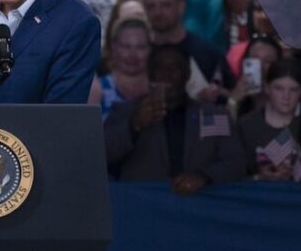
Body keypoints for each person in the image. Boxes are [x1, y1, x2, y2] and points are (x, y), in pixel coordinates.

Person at [104, 45, 245, 188]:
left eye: (175, 67)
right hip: (144, 206)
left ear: (187, 73)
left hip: (198, 206)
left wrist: (205, 176)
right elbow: (101, 155)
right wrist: (134, 126)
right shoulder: (125, 111)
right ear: (150, 73)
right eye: (160, 67)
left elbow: (236, 162)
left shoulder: (213, 115)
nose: (167, 73)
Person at [140, 0, 234, 101]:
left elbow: (231, 98)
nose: (158, 13)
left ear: (181, 6)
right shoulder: (136, 54)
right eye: (151, 6)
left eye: (165, 5)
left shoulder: (208, 54)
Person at [236, 59, 301, 181]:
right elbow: (234, 174)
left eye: (293, 90)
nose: (286, 96)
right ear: (267, 88)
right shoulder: (246, 126)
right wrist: (259, 176)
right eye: (279, 88)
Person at [93, 18, 151, 119]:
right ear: (114, 47)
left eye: (140, 47)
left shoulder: (160, 90)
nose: (132, 55)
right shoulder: (97, 91)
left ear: (150, 49)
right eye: (126, 47)